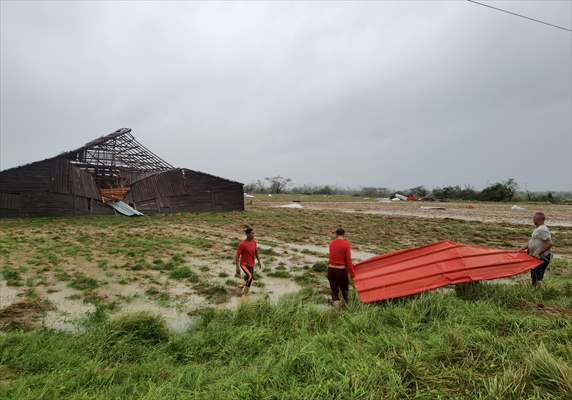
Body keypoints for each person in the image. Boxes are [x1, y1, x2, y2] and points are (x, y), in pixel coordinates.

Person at [521, 212, 553, 288]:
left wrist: (538, 252)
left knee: (538, 277)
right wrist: (522, 248)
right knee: (534, 276)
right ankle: (534, 290)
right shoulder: (537, 229)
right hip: (534, 257)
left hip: (541, 257)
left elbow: (549, 243)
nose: (533, 220)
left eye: (534, 218)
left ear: (539, 219)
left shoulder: (543, 229)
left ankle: (540, 293)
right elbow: (532, 240)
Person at [328, 228, 355, 309]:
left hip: (331, 270)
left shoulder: (332, 243)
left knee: (334, 292)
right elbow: (348, 261)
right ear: (344, 235)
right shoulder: (346, 244)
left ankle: (337, 312)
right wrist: (352, 274)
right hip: (341, 271)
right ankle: (348, 309)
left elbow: (331, 257)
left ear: (336, 234)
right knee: (345, 292)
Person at [235, 227, 262, 296]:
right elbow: (237, 256)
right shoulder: (242, 244)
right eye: (252, 233)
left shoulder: (254, 242)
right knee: (250, 277)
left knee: (248, 278)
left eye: (253, 233)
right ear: (247, 234)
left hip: (251, 263)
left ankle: (240, 286)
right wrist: (237, 267)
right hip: (244, 264)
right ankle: (245, 294)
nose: (253, 235)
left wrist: (259, 261)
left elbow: (256, 251)